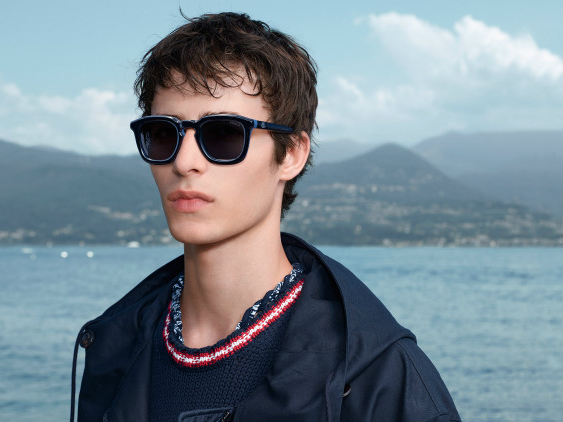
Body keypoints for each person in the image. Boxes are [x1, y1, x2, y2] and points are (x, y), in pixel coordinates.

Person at [70, 11, 460, 422]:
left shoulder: (380, 377)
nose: (184, 162)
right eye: (164, 134)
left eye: (223, 134)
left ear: (291, 153)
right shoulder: (116, 350)